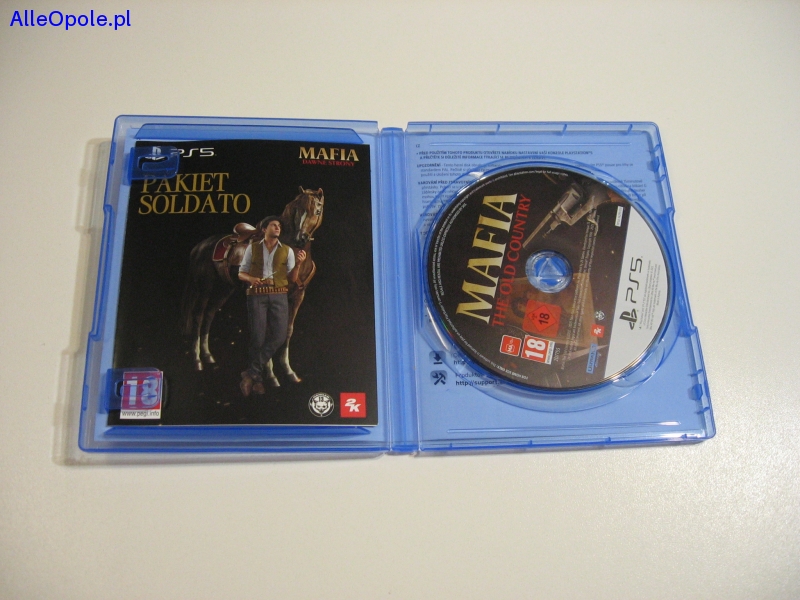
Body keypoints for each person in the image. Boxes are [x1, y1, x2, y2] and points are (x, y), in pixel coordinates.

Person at [237, 216, 306, 396]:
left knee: (280, 336)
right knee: (258, 337)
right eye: (274, 225)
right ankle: (257, 379)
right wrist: (252, 278)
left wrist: (298, 264)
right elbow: (241, 273)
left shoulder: (287, 250)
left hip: (279, 295)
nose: (277, 228)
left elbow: (292, 278)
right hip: (256, 295)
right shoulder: (253, 248)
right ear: (264, 229)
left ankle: (251, 372)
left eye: (279, 226)